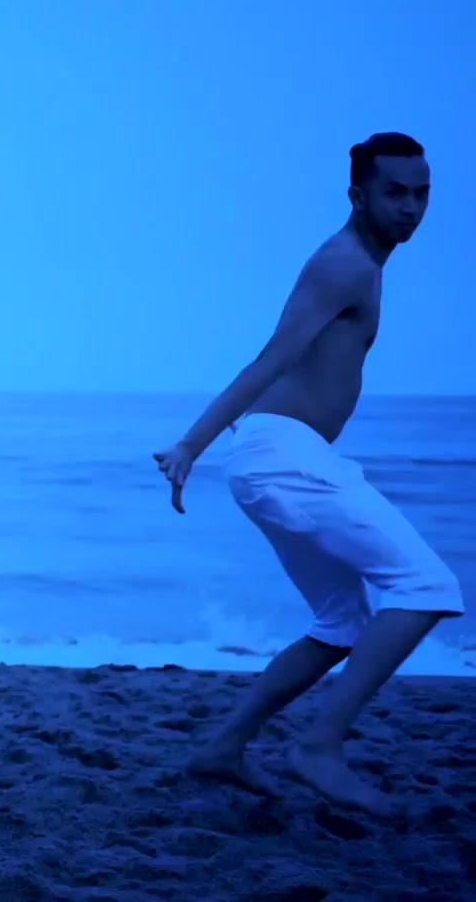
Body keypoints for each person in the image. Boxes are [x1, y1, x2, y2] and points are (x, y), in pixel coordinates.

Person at [154, 131, 462, 814]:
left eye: (422, 194)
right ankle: (320, 745)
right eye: (395, 193)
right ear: (358, 195)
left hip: (284, 456)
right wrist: (190, 444)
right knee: (426, 584)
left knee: (342, 622)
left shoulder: (365, 264)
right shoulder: (344, 264)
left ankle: (224, 748)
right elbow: (270, 358)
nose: (411, 207)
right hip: (282, 454)